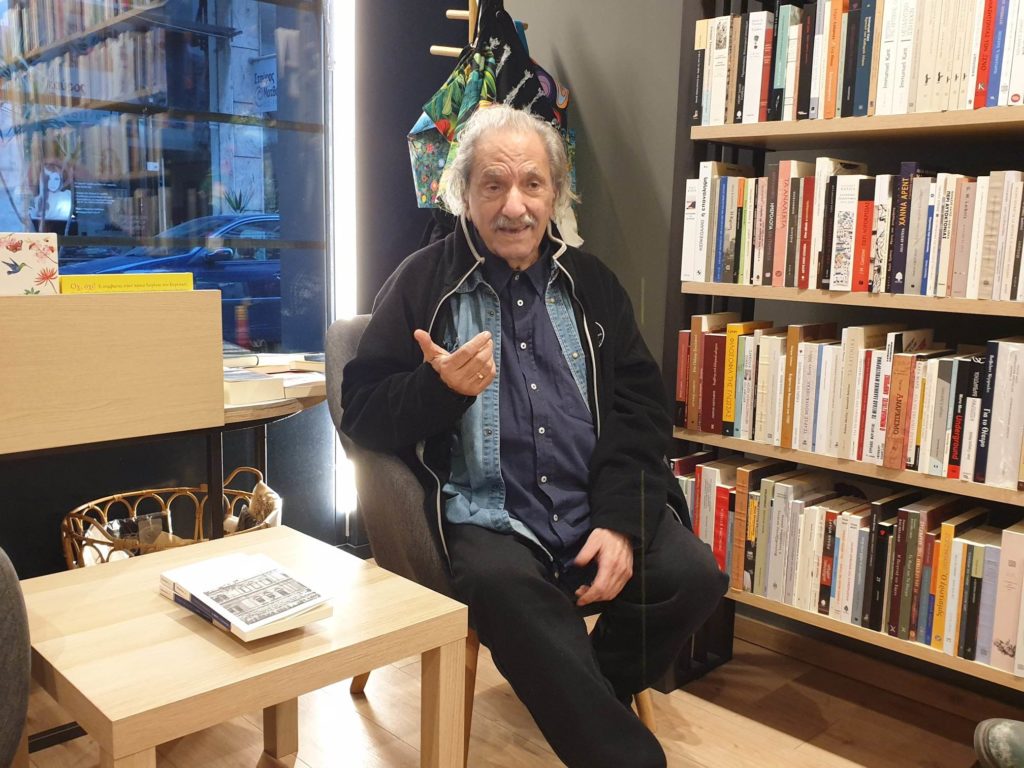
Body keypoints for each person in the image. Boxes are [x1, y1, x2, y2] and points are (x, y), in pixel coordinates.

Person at [341, 103, 728, 768]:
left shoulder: (593, 284)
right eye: (493, 185)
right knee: (509, 595)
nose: (514, 206)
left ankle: (577, 692)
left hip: (592, 503)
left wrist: (620, 522)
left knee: (692, 577)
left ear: (556, 194)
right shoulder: (422, 282)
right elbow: (361, 410)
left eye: (532, 184)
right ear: (465, 194)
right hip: (489, 517)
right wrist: (439, 390)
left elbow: (641, 412)